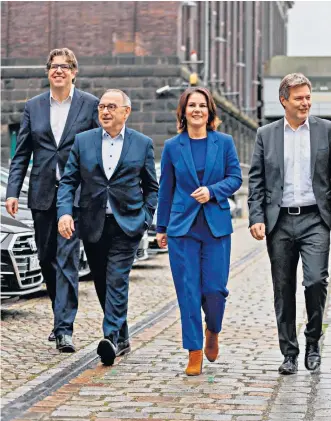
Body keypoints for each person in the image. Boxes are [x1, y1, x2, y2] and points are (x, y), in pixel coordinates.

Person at [6, 48, 99, 352]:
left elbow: (98, 151)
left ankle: (64, 328)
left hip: (74, 195)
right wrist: (11, 192)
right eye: (53, 67)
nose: (58, 71)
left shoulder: (89, 105)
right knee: (47, 257)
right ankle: (58, 314)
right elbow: (21, 154)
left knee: (67, 259)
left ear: (74, 72)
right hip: (43, 193)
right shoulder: (33, 106)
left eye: (65, 66)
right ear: (47, 73)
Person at [57, 89, 158, 366]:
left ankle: (111, 338)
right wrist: (65, 213)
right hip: (92, 224)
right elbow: (68, 182)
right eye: (102, 106)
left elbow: (151, 187)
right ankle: (123, 337)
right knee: (102, 281)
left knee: (116, 279)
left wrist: (145, 218)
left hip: (127, 226)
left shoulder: (142, 143)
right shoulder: (83, 141)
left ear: (126, 111)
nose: (105, 111)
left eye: (112, 107)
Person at [248, 73, 331, 375]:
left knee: (316, 282)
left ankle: (313, 342)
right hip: (280, 222)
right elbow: (256, 180)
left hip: (315, 220)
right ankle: (289, 353)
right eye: (299, 98)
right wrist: (257, 218)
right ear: (284, 100)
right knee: (283, 289)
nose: (306, 102)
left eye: (308, 97)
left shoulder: (326, 131)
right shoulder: (266, 135)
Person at [156, 87, 242, 376]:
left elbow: (235, 178)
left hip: (216, 226)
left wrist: (213, 191)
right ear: (183, 112)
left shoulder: (225, 142)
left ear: (210, 111)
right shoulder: (172, 146)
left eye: (202, 106)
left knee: (215, 290)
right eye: (191, 105)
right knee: (188, 291)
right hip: (183, 228)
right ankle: (194, 351)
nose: (197, 110)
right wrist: (161, 227)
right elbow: (165, 188)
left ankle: (213, 330)